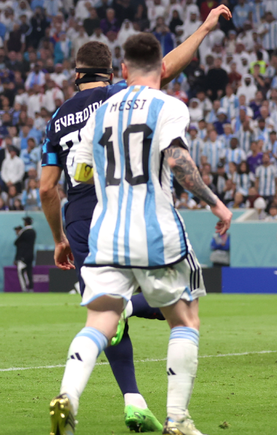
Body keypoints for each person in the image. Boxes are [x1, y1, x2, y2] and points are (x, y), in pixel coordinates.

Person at [40, 5, 232, 432]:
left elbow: (71, 174)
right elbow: (179, 160)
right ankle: (177, 419)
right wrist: (215, 204)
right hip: (152, 222)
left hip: (97, 224)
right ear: (115, 71)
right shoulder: (149, 102)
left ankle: (69, 397)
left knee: (100, 319)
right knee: (185, 316)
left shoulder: (70, 117)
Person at [14, 217, 36, 292]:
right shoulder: (33, 232)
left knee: (21, 272)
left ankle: (24, 288)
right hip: (31, 255)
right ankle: (31, 287)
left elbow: (16, 242)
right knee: (29, 272)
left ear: (26, 223)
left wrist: (17, 258)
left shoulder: (25, 232)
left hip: (23, 256)